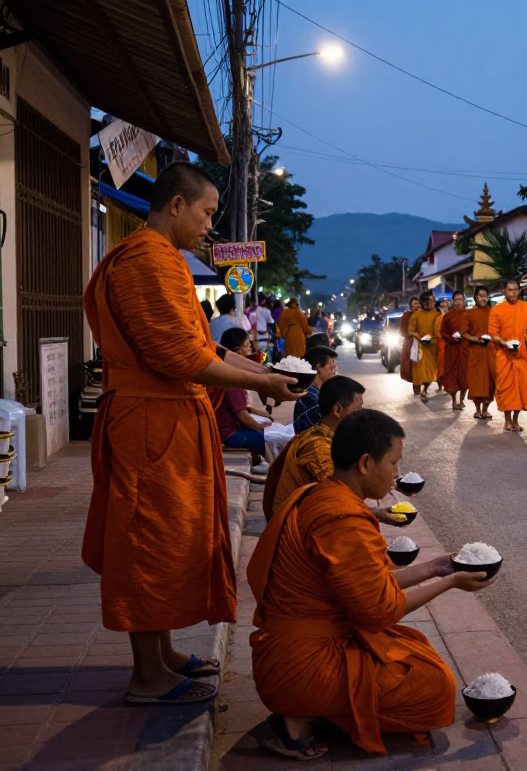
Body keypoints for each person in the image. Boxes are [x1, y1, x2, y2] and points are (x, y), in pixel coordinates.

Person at [82, 161, 302, 705]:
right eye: (206, 213)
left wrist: (264, 375)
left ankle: (163, 653)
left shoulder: (165, 261)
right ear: (176, 206)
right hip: (149, 421)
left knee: (171, 537)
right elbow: (182, 357)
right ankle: (146, 676)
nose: (210, 226)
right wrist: (266, 381)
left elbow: (203, 345)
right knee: (146, 539)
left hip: (169, 419)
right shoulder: (146, 262)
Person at [247, 409, 495, 759]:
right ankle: (299, 718)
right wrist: (452, 581)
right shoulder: (342, 519)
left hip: (290, 648)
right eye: (394, 463)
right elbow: (382, 610)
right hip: (300, 666)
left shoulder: (320, 494)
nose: (396, 474)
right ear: (365, 463)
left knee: (414, 646)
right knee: (435, 686)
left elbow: (370, 586)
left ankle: (313, 709)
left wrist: (436, 568)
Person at [263, 374, 388, 521]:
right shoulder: (317, 447)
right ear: (337, 410)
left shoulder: (328, 436)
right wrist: (375, 512)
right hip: (297, 526)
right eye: (356, 411)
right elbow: (339, 497)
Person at [215, 327, 274, 463]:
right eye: (247, 346)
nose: (250, 350)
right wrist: (263, 428)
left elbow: (242, 409)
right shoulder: (232, 377)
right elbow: (243, 416)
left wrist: (267, 418)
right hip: (230, 435)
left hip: (228, 429)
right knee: (272, 438)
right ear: (236, 351)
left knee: (270, 427)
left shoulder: (226, 371)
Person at [489, 279, 527, 432]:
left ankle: (516, 420)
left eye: (516, 290)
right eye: (510, 290)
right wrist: (504, 343)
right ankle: (507, 421)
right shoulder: (497, 310)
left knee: (523, 389)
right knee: (506, 389)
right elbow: (493, 334)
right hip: (505, 355)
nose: (513, 293)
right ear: (504, 290)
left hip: (522, 355)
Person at [465, 286, 497, 420]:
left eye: (485, 296)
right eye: (480, 296)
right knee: (476, 382)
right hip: (475, 351)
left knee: (490, 382)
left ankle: (486, 409)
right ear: (474, 298)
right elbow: (464, 333)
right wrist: (474, 339)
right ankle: (477, 409)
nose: (483, 298)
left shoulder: (493, 312)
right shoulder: (469, 314)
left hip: (490, 350)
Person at [292, 346, 338, 434]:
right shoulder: (310, 399)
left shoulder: (315, 393)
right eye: (332, 366)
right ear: (318, 368)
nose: (334, 370)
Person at [408, 291, 442, 402]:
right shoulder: (416, 315)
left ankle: (424, 390)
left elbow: (440, 331)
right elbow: (411, 331)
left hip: (433, 347)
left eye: (433, 300)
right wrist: (421, 338)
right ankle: (421, 390)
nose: (434, 302)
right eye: (432, 300)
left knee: (432, 372)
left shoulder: (437, 315)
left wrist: (432, 339)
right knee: (421, 373)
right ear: (425, 302)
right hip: (420, 348)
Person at [440, 290, 470, 411]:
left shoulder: (470, 314)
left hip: (465, 349)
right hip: (452, 349)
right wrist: (451, 338)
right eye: (456, 300)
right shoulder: (448, 316)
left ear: (464, 300)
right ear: (453, 302)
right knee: (452, 377)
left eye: (461, 299)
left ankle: (462, 399)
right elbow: (443, 332)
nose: (459, 302)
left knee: (465, 377)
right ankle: (454, 400)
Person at [399, 296, 421, 391]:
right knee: (412, 366)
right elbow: (402, 331)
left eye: (419, 303)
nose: (418, 305)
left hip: (424, 344)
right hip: (411, 344)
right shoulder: (406, 316)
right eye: (415, 303)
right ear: (411, 306)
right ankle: (416, 386)